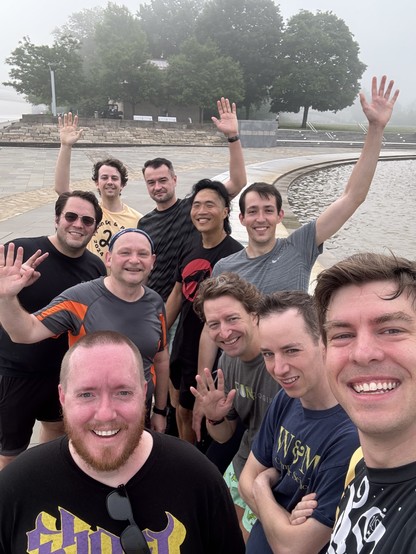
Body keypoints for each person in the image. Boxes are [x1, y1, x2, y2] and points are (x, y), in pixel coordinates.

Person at [198, 75, 400, 374]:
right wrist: (206, 380)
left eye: (268, 210)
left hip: (291, 370)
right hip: (241, 373)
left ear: (280, 216)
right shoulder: (225, 267)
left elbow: (352, 197)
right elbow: (212, 330)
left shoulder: (299, 245)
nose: (260, 218)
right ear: (241, 219)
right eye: (252, 211)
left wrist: (375, 129)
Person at [0, 330, 245, 553]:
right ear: (63, 397)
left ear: (143, 393)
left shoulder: (197, 478)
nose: (106, 414)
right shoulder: (16, 487)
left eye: (123, 392)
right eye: (86, 394)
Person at [0, 228, 169, 433]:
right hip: (92, 417)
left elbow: (160, 359)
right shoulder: (79, 298)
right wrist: (6, 298)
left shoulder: (155, 302)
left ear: (152, 261)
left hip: (138, 414)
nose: (134, 260)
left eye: (142, 254)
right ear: (108, 258)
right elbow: (25, 332)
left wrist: (160, 410)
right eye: (125, 252)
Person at [238, 290, 360, 553]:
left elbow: (297, 548)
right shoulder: (286, 398)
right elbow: (246, 480)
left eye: (291, 350)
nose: (278, 368)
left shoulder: (349, 436)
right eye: (268, 354)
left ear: (324, 343)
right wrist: (284, 521)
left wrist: (262, 487)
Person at [311, 252, 416, 552]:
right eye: (343, 335)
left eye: (392, 330)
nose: (363, 353)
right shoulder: (359, 465)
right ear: (325, 354)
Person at [0, 190, 106, 469]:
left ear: (95, 227)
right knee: (10, 452)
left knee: (56, 432)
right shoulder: (22, 251)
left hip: (61, 375)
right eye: (70, 216)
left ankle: (41, 483)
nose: (78, 224)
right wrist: (7, 293)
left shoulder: (95, 267)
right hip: (16, 372)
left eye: (87, 220)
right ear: (57, 219)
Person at [191, 272, 280, 541]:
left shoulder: (281, 361)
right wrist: (215, 418)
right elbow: (225, 436)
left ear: (254, 314)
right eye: (214, 324)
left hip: (276, 477)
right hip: (242, 463)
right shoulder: (227, 362)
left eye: (232, 319)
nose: (224, 332)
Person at [139, 97, 247, 302]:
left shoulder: (194, 207)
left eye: (163, 180)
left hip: (187, 301)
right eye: (151, 182)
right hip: (153, 303)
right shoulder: (144, 223)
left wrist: (233, 136)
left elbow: (238, 181)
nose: (157, 187)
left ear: (174, 179)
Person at [165, 180, 243, 442]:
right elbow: (177, 294)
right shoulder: (189, 246)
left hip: (213, 351)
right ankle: (182, 457)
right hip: (183, 344)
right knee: (179, 408)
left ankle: (193, 467)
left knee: (198, 415)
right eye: (196, 205)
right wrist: (159, 335)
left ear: (225, 211)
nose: (201, 210)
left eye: (210, 204)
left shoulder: (235, 256)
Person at [55, 112, 143, 259]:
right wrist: (65, 146)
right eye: (104, 177)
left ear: (122, 185)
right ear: (97, 182)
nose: (109, 182)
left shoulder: (138, 219)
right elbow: (61, 189)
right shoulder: (89, 212)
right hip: (89, 275)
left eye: (115, 178)